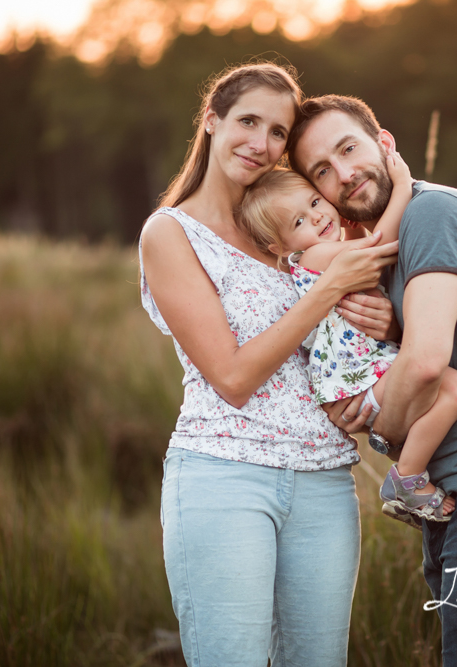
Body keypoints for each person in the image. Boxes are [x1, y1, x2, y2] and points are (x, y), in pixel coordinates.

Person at [288, 95, 457, 667]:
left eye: (348, 149)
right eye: (322, 171)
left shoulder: (431, 213)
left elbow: (422, 364)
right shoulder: (390, 242)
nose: (344, 174)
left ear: (383, 144)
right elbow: (416, 343)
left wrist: (382, 434)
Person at [139, 64, 398, 667]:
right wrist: (329, 287)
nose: (262, 143)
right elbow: (230, 378)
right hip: (225, 478)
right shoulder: (170, 233)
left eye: (278, 131)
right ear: (211, 121)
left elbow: (345, 324)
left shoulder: (289, 223)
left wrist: (380, 321)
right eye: (248, 121)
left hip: (326, 480)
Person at [236, 154, 457, 520]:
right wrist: (403, 188)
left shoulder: (327, 248)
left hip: (363, 369)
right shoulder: (311, 256)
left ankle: (412, 472)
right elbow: (380, 245)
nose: (316, 216)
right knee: (455, 390)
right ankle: (407, 478)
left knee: (448, 392)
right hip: (356, 377)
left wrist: (352, 227)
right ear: (281, 248)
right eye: (299, 221)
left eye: (315, 202)